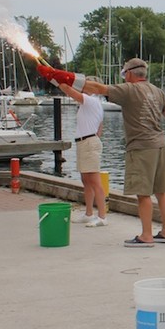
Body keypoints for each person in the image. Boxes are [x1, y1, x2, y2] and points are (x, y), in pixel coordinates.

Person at [38, 58, 165, 247]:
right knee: (162, 191)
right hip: (160, 145)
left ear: (131, 73)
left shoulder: (129, 89)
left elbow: (96, 88)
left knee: (143, 193)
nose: (124, 78)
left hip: (140, 147)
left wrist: (60, 75)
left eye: (124, 74)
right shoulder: (157, 91)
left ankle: (146, 236)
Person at [58, 79, 107, 226]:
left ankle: (102, 217)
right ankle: (89, 213)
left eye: (86, 85)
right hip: (84, 141)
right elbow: (100, 127)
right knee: (86, 180)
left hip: (89, 142)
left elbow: (70, 92)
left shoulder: (91, 100)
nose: (83, 88)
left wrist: (57, 80)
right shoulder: (88, 104)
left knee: (94, 180)